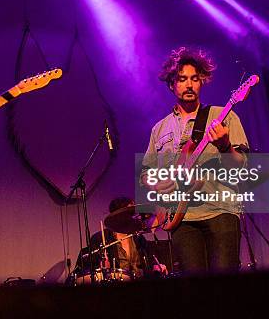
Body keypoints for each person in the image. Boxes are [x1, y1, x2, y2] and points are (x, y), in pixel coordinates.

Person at [140, 47, 249, 274]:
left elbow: (240, 168)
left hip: (220, 210)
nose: (189, 85)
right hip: (180, 219)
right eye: (182, 79)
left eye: (195, 79)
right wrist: (156, 183)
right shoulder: (158, 129)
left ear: (202, 82)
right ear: (172, 84)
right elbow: (145, 174)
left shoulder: (223, 116)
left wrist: (225, 146)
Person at [71, 197, 167, 283]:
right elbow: (89, 268)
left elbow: (150, 261)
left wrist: (156, 266)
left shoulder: (138, 238)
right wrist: (101, 268)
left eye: (134, 213)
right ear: (118, 216)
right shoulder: (100, 238)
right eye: (130, 213)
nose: (134, 216)